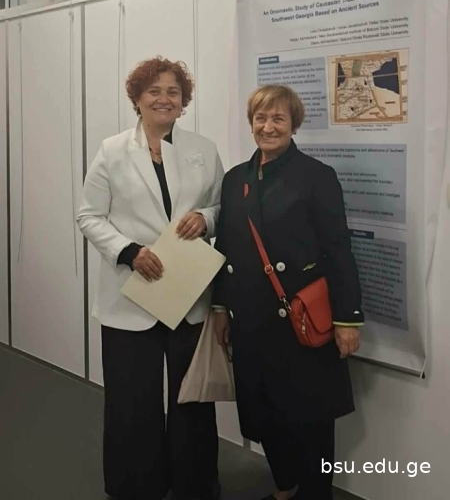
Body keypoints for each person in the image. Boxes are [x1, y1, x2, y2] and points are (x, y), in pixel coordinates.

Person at [77, 57, 224, 500]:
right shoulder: (112, 151)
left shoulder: (203, 149)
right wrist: (128, 251)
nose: (164, 99)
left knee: (191, 398)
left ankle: (195, 483)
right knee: (130, 399)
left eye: (173, 91)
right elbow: (88, 215)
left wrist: (206, 218)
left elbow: (223, 206)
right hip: (131, 295)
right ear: (137, 99)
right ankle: (134, 485)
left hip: (187, 294)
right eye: (154, 91)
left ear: (184, 101)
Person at [213, 84, 363, 500]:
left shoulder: (317, 176)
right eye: (260, 118)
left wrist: (348, 318)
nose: (268, 126)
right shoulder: (235, 180)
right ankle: (284, 486)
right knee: (263, 413)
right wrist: (221, 306)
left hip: (300, 319)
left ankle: (314, 493)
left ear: (294, 124)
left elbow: (338, 249)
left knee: (311, 419)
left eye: (278, 118)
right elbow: (226, 246)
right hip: (252, 321)